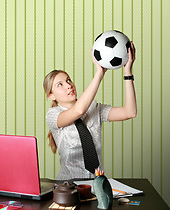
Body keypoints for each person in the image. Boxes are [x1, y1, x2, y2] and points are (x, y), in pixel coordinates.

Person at [43, 42, 137, 180]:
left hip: (96, 184)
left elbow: (130, 112)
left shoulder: (94, 108)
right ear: (51, 95)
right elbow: (79, 111)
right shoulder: (53, 115)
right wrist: (99, 73)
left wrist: (127, 72)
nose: (68, 85)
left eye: (68, 80)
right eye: (60, 85)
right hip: (68, 186)